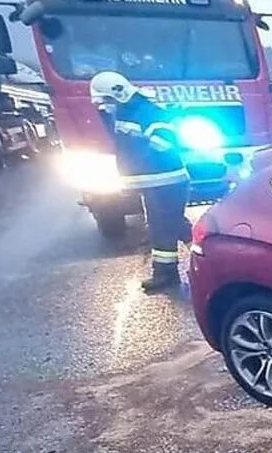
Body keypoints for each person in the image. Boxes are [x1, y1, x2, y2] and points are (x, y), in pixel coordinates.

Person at [89, 71, 190, 293]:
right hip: (157, 182)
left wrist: (142, 157)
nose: (103, 106)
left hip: (165, 180)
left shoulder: (143, 111)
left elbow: (166, 140)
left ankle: (167, 275)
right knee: (173, 222)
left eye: (106, 101)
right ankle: (203, 257)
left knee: (162, 227)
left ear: (116, 95)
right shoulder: (127, 110)